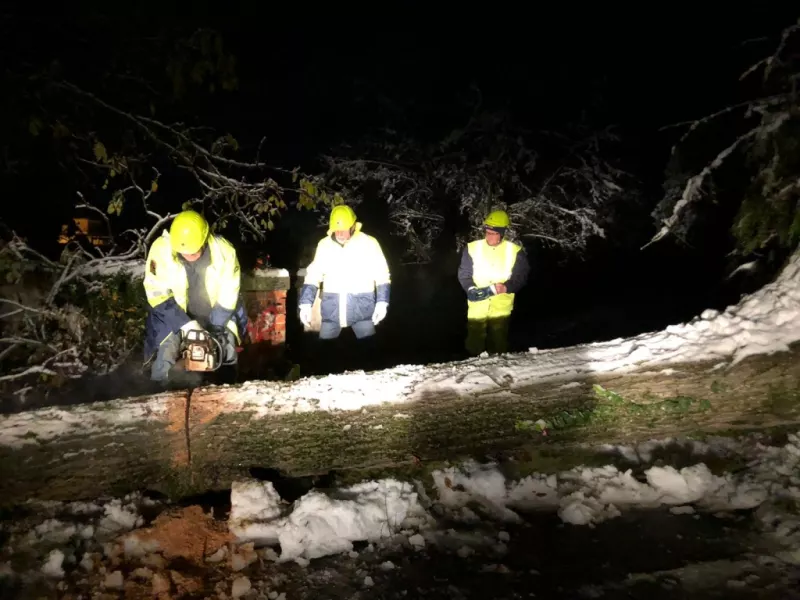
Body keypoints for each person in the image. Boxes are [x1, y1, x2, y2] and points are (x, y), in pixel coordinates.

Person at [142, 210, 247, 383]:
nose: (189, 256)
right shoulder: (161, 250)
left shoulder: (225, 252)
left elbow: (229, 292)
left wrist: (216, 328)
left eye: (193, 252)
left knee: (226, 351)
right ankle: (159, 394)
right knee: (165, 355)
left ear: (204, 239)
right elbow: (157, 294)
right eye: (184, 252)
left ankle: (227, 389)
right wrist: (186, 325)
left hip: (217, 314)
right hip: (174, 315)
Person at [298, 204, 391, 342]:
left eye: (344, 230)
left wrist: (382, 302)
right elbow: (313, 275)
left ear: (353, 226)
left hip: (362, 309)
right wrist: (305, 304)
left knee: (368, 351)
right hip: (332, 310)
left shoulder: (369, 243)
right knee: (325, 352)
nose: (340, 234)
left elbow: (382, 274)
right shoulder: (324, 245)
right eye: (336, 230)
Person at [457, 209, 530, 355]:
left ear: (501, 233)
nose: (489, 236)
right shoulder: (472, 248)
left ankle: (497, 362)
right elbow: (464, 273)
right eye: (487, 232)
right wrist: (470, 288)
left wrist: (507, 287)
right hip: (477, 304)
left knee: (499, 337)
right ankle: (473, 362)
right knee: (474, 336)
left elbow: (521, 277)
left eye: (493, 233)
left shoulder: (515, 251)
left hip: (501, 305)